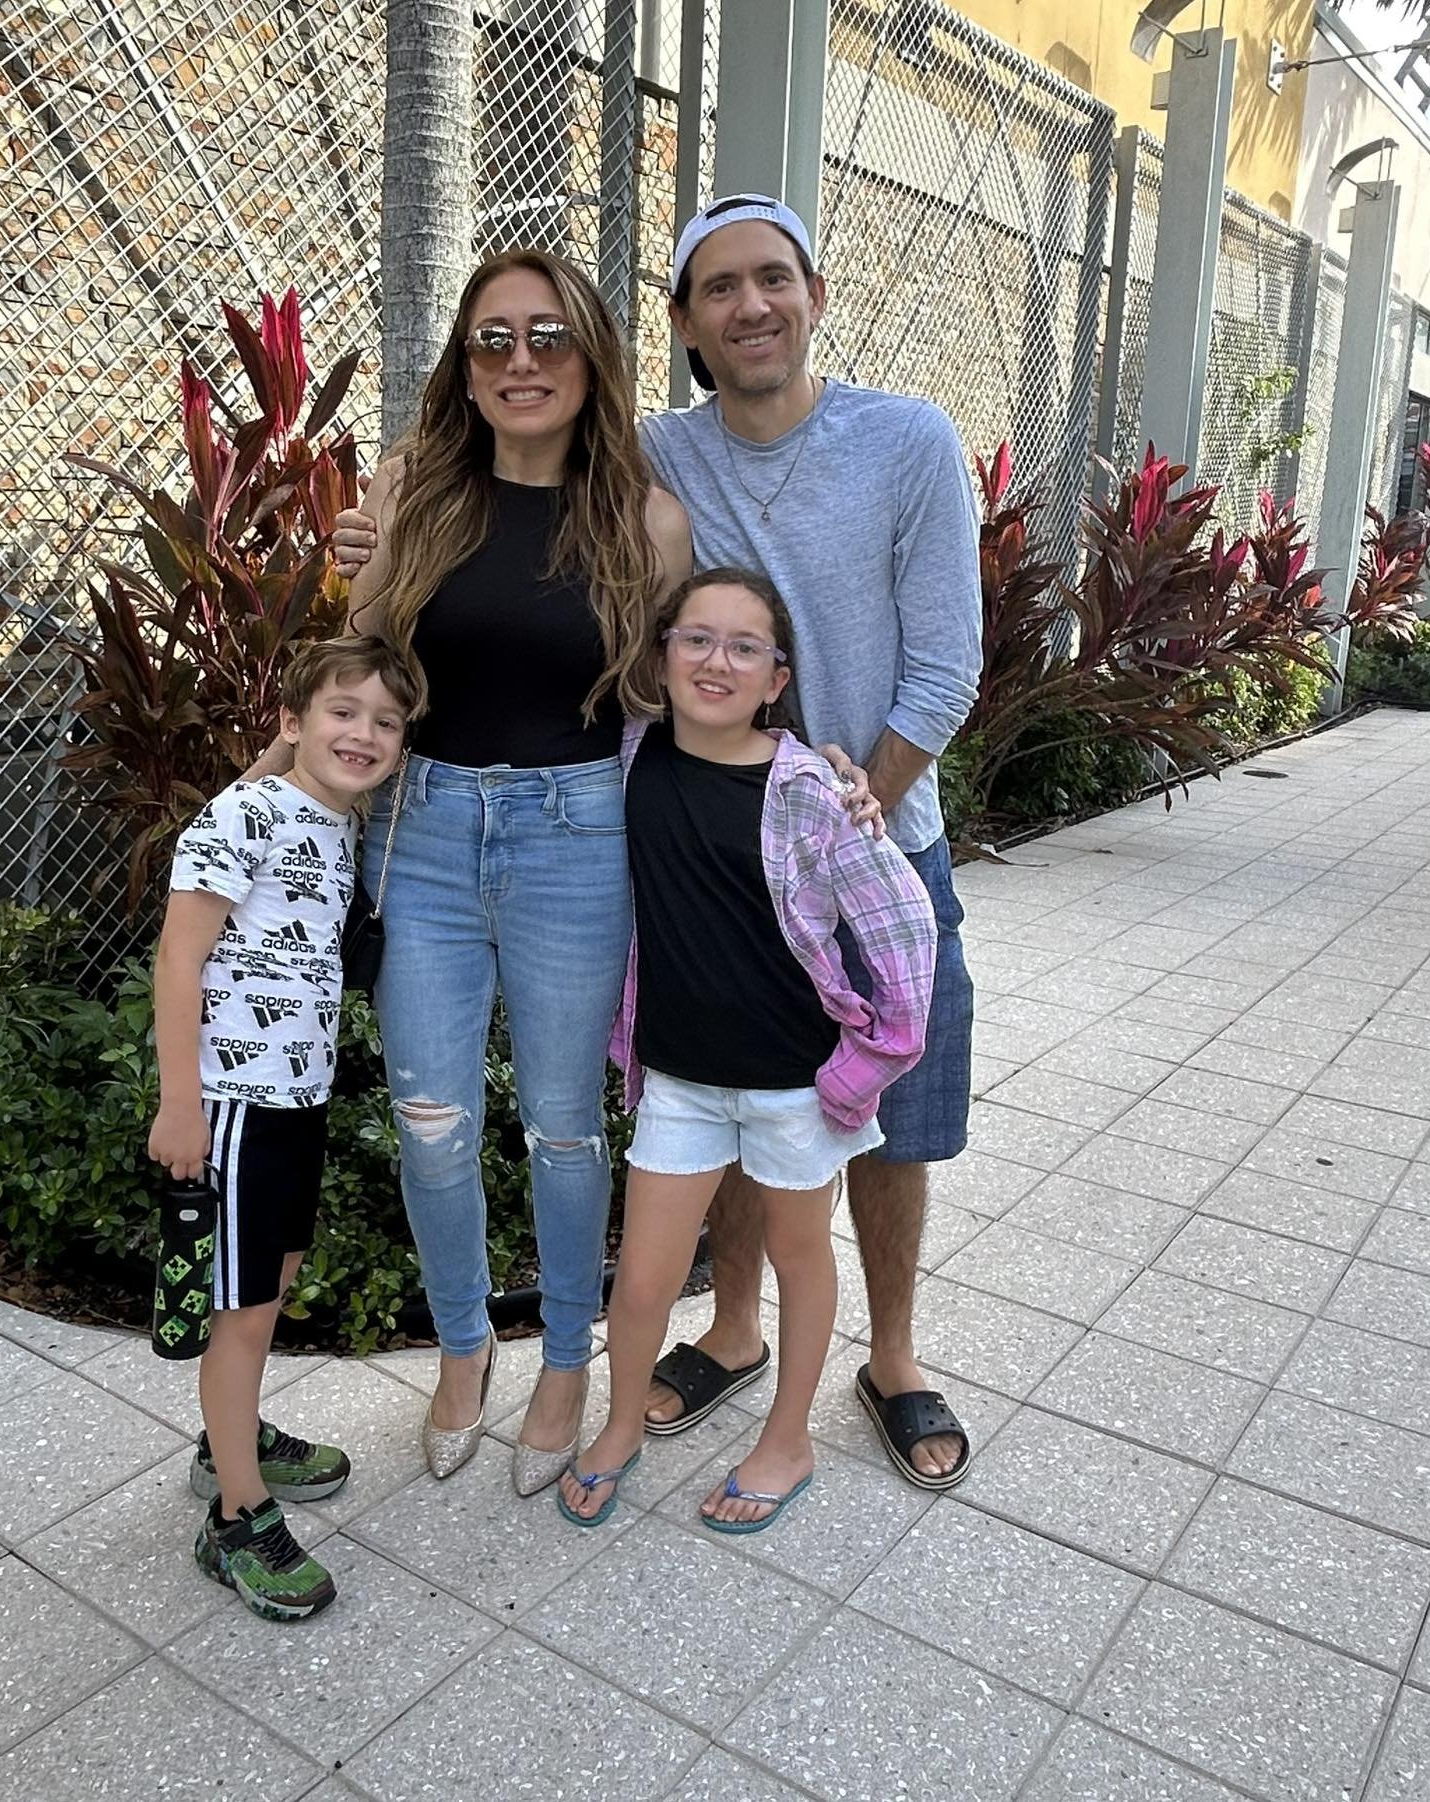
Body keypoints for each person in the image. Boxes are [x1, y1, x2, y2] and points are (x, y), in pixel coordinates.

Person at [335, 193, 983, 1489]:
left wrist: (852, 817)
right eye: (721, 288)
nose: (752, 306)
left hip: (872, 838)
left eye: (774, 279)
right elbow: (526, 507)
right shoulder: (659, 460)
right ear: (684, 323)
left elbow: (946, 666)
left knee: (896, 1118)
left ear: (810, 292)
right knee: (735, 1083)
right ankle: (733, 1327)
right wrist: (379, 521)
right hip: (706, 853)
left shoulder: (908, 441)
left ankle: (895, 1356)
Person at [343, 248, 694, 1493]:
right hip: (424, 830)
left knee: (559, 1122)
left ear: (591, 355)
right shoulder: (414, 488)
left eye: (546, 336)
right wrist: (287, 772)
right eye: (492, 340)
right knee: (428, 1119)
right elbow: (364, 654)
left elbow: (661, 693)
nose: (520, 361)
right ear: (464, 366)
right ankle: (458, 1348)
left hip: (574, 836)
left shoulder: (644, 517)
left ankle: (562, 1362)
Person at [556, 570, 934, 1532]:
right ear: (661, 655)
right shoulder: (628, 760)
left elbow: (904, 933)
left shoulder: (810, 789)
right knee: (642, 1278)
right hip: (679, 1081)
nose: (716, 660)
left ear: (777, 677)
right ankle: (619, 1428)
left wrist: (864, 1066)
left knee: (801, 1256)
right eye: (696, 639)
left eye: (744, 646)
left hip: (792, 1088)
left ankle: (789, 1439)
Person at [147, 634, 422, 1621]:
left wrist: (281, 756)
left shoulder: (329, 818)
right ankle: (236, 1515)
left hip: (296, 1098)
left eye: (384, 722)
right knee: (242, 1309)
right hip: (226, 1105)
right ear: (294, 718)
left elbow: (291, 782)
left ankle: (229, 1433)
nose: (363, 733)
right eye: (341, 710)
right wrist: (180, 1102)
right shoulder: (243, 815)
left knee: (273, 1278)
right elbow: (178, 959)